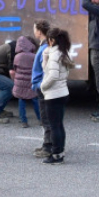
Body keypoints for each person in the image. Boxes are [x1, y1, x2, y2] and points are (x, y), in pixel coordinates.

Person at [41, 27, 75, 165]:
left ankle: (55, 155)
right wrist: (45, 55)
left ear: (52, 40)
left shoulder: (54, 55)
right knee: (59, 124)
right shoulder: (63, 52)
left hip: (53, 94)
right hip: (63, 92)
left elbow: (52, 75)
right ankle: (60, 152)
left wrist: (43, 86)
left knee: (54, 125)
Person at [30, 20, 53, 158]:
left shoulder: (44, 48)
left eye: (34, 29)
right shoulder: (45, 46)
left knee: (46, 118)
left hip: (42, 87)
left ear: (39, 31)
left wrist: (40, 85)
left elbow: (46, 70)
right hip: (42, 86)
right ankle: (48, 144)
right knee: (47, 117)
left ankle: (48, 147)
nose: (34, 31)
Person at [11, 35, 41, 129]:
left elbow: (15, 69)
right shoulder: (34, 56)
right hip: (31, 82)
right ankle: (40, 119)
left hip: (20, 82)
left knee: (21, 102)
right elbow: (37, 69)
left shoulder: (17, 57)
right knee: (35, 101)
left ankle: (24, 121)